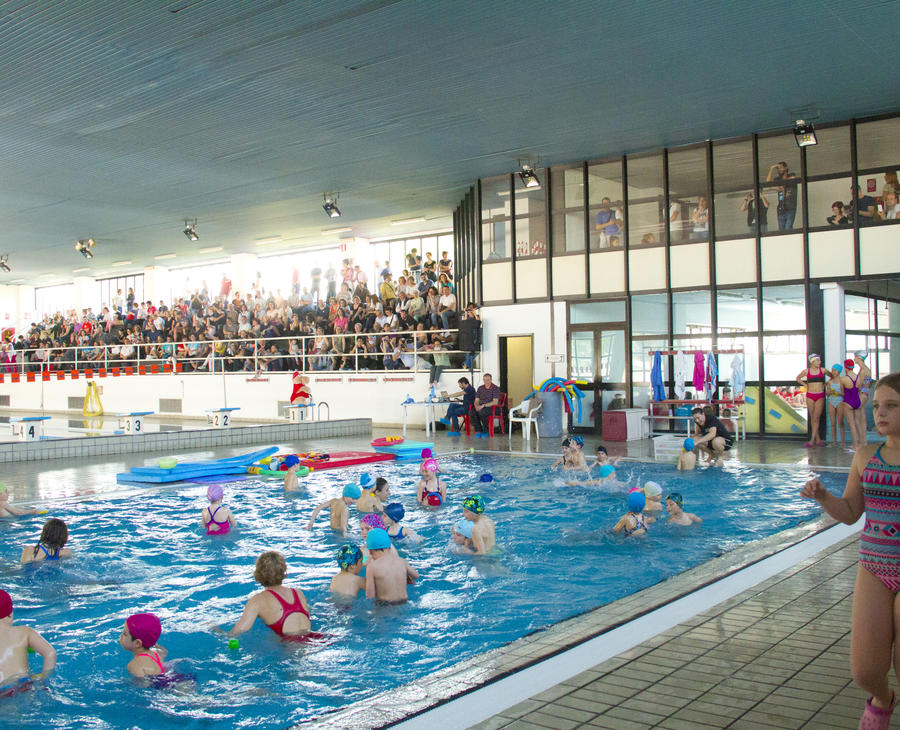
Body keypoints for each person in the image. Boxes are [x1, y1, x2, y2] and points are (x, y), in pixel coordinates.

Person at [799, 373, 900, 728]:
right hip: (874, 566)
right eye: (876, 407)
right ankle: (883, 699)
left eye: (891, 406)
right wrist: (824, 496)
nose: (879, 414)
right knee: (864, 671)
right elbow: (851, 514)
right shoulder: (865, 456)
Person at [226, 551, 318, 641]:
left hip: (289, 645)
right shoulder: (298, 593)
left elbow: (239, 630)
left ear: (258, 574)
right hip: (312, 638)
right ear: (283, 571)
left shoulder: (257, 600)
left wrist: (218, 631)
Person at [0, 589, 56, 694]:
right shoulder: (24, 632)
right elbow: (50, 653)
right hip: (21, 685)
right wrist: (42, 679)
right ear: (10, 614)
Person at [365, 528, 418, 604]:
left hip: (385, 605)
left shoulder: (372, 566)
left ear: (370, 551)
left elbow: (370, 595)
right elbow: (416, 576)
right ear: (389, 547)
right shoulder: (401, 561)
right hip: (404, 602)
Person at [798, 353, 830, 447]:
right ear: (812, 361)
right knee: (813, 417)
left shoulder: (823, 370)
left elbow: (832, 376)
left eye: (819, 360)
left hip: (820, 395)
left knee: (816, 417)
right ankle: (818, 439)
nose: (819, 362)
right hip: (810, 395)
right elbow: (798, 378)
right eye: (817, 360)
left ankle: (812, 440)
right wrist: (805, 385)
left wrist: (826, 384)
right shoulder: (806, 371)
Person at [121, 613, 168, 677]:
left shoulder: (135, 664)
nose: (121, 636)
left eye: (124, 634)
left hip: (160, 686)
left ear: (137, 643)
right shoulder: (159, 651)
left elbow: (143, 685)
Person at [767, 161, 799, 230]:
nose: (779, 169)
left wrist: (781, 184)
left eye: (781, 167)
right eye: (778, 168)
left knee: (788, 228)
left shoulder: (791, 175)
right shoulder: (777, 179)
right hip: (781, 208)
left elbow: (794, 177)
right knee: (781, 230)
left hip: (791, 207)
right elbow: (768, 182)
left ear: (786, 168)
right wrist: (771, 168)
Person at [842, 358, 865, 450]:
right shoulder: (859, 377)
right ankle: (862, 443)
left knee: (851, 424)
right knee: (858, 423)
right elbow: (859, 390)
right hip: (857, 401)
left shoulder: (843, 379)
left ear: (845, 367)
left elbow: (842, 392)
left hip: (848, 402)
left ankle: (855, 445)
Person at [472, 373, 502, 437]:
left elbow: (495, 402)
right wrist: (476, 406)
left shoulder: (495, 388)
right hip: (481, 406)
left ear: (491, 380)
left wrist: (483, 406)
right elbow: (476, 400)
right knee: (472, 412)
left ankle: (486, 430)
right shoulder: (480, 388)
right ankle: (478, 430)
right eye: (485, 380)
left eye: (488, 380)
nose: (486, 382)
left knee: (482, 412)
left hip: (493, 407)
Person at [827, 363, 846, 445]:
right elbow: (827, 395)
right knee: (833, 423)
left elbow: (844, 394)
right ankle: (834, 441)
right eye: (832, 370)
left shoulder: (842, 381)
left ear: (839, 371)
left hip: (840, 401)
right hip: (831, 401)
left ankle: (842, 441)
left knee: (840, 422)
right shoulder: (829, 382)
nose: (833, 372)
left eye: (835, 370)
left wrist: (837, 393)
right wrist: (828, 392)